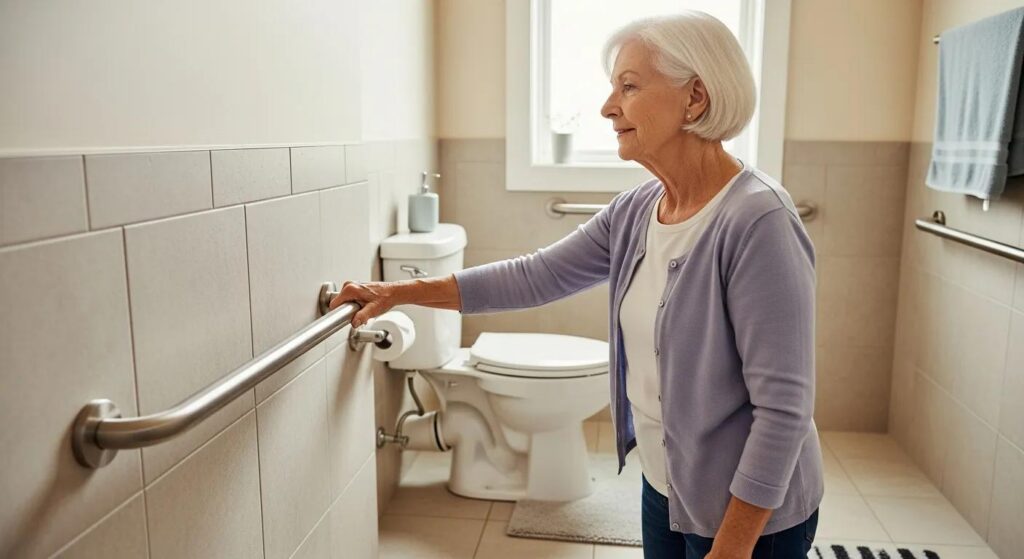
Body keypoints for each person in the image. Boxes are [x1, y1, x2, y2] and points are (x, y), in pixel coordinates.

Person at [330, 11, 823, 559]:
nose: (608, 107)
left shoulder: (758, 222)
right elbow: (535, 276)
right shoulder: (638, 208)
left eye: (629, 87)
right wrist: (400, 292)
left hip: (750, 519)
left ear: (695, 98)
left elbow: (784, 410)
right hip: (667, 489)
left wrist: (732, 547)